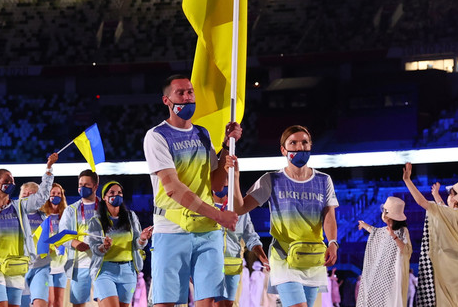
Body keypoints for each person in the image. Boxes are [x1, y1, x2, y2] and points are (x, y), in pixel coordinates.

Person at [142, 75, 241, 307]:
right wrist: (219, 215)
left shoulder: (203, 134)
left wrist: (227, 146)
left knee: (207, 302)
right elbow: (173, 189)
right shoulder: (156, 136)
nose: (187, 97)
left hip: (206, 231)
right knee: (166, 303)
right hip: (171, 230)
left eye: (190, 92)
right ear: (166, 100)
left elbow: (216, 185)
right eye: (181, 93)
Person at [232, 125, 339, 307]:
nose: (299, 147)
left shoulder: (324, 180)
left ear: (310, 146)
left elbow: (329, 215)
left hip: (313, 258)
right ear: (283, 149)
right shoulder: (271, 180)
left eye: (304, 142)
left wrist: (333, 242)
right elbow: (239, 208)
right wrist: (235, 177)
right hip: (284, 259)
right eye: (293, 143)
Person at [0, 152, 59, 307]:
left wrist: (49, 168)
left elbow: (43, 195)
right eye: (7, 180)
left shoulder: (20, 207)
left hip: (16, 267)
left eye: (12, 180)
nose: (11, 183)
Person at [401, 163, 458, 307]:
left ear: (455, 198)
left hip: (444, 266)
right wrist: (436, 196)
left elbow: (421, 202)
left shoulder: (452, 214)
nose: (448, 197)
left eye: (451, 194)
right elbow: (446, 213)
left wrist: (408, 181)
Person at [85, 181, 152, 307]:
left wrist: (142, 238)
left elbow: (138, 245)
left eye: (119, 193)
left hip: (128, 271)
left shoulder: (131, 216)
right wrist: (103, 246)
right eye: (112, 193)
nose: (116, 195)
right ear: (104, 197)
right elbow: (94, 249)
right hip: (105, 271)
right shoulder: (95, 221)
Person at [211, 187, 263, 307]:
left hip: (233, 265)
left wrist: (261, 255)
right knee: (214, 302)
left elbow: (250, 236)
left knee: (231, 303)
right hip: (211, 264)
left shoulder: (239, 209)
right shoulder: (205, 206)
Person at [355, 196, 410, 307]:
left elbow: (406, 250)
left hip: (393, 272)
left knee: (391, 299)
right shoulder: (383, 231)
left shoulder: (402, 231)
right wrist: (364, 225)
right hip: (380, 272)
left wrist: (393, 236)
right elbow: (374, 231)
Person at [59, 171, 99, 307]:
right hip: (79, 265)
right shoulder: (71, 210)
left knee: (106, 302)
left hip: (103, 264)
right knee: (78, 304)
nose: (82, 188)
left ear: (95, 187)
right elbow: (62, 235)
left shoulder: (105, 207)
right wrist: (74, 243)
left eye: (87, 185)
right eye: (80, 184)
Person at [32, 184, 69, 307]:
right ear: (48, 196)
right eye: (53, 193)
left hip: (62, 264)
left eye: (58, 194)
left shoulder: (66, 215)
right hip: (46, 264)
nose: (56, 196)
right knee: (49, 301)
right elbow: (36, 236)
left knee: (59, 302)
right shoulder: (42, 215)